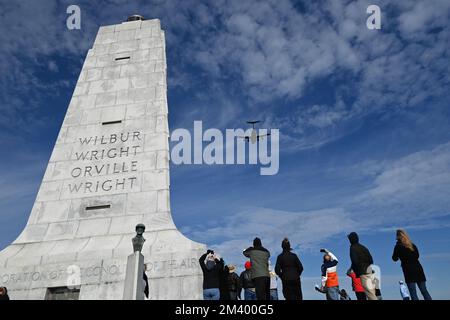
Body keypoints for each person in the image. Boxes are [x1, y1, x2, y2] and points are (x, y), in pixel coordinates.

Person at [392, 229, 432, 300]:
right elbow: (417, 255)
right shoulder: (412, 245)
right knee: (424, 291)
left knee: (413, 292)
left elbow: (394, 258)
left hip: (408, 270)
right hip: (418, 268)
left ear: (398, 237)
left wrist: (400, 256)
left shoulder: (398, 246)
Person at [347, 232, 377, 300]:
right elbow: (371, 260)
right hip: (369, 269)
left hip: (362, 271)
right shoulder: (363, 247)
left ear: (351, 239)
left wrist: (356, 270)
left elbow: (354, 261)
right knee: (372, 291)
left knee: (369, 293)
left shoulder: (353, 248)